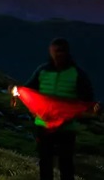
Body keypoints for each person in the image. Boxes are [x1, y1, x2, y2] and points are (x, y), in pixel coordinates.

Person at [23, 38, 100, 180]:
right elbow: (29, 89)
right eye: (55, 51)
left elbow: (87, 98)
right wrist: (17, 91)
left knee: (66, 165)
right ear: (51, 52)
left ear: (67, 52)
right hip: (43, 125)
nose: (58, 55)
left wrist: (92, 109)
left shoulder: (77, 74)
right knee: (45, 163)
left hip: (66, 127)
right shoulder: (42, 71)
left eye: (61, 51)